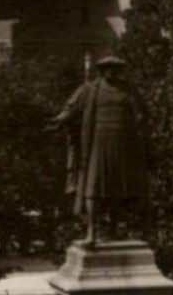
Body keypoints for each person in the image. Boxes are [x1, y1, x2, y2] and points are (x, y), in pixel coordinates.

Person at [51, 56, 150, 245]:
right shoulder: (89, 89)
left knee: (121, 189)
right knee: (93, 188)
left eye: (115, 68)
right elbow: (71, 108)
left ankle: (116, 228)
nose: (111, 71)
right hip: (97, 145)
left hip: (124, 146)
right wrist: (59, 120)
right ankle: (91, 232)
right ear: (101, 70)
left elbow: (141, 114)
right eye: (107, 68)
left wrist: (140, 125)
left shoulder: (129, 91)